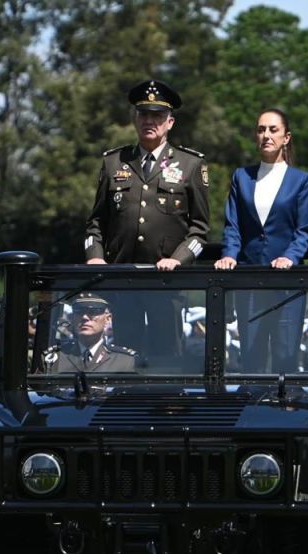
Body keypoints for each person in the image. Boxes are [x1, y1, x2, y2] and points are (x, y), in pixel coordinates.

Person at [84, 79, 210, 356]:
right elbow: (95, 222)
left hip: (167, 283)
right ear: (135, 119)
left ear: (170, 123)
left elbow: (200, 231)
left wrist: (178, 259)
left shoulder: (190, 165)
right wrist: (95, 255)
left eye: (157, 116)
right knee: (125, 355)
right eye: (144, 114)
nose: (149, 121)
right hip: (122, 280)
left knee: (166, 358)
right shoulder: (114, 162)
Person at [214, 108, 308, 373]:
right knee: (251, 357)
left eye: (273, 130)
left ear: (286, 137)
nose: (266, 135)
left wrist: (290, 257)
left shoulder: (300, 180)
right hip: (250, 279)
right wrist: (229, 255)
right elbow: (233, 225)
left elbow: (305, 229)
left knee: (285, 356)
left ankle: (287, 411)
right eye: (261, 130)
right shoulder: (242, 177)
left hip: (287, 283)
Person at [42, 295, 137, 373]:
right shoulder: (53, 358)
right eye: (79, 312)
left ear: (108, 319)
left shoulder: (125, 361)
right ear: (73, 318)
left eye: (93, 312)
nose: (84, 317)